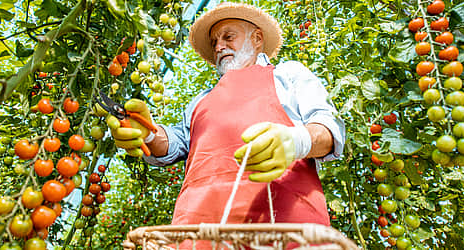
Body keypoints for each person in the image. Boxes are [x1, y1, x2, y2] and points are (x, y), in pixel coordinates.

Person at [113, 1, 345, 235]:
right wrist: (148, 132)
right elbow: (174, 143)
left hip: (282, 222)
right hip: (199, 229)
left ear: (257, 39)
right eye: (215, 42)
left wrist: (297, 141)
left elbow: (329, 128)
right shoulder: (200, 101)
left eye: (228, 37)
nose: (219, 47)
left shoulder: (287, 75)